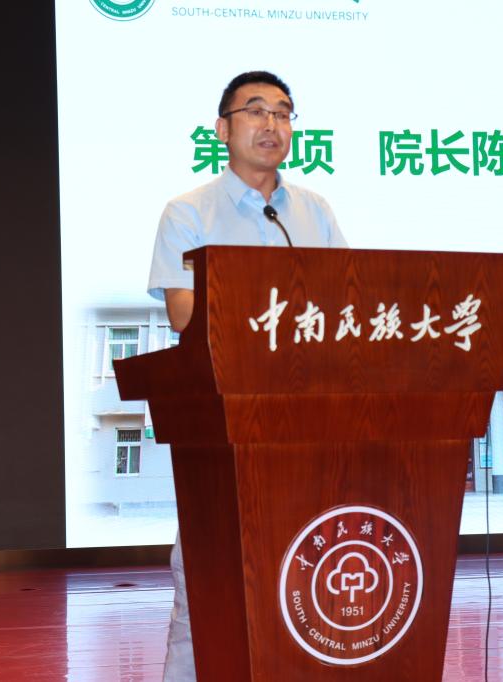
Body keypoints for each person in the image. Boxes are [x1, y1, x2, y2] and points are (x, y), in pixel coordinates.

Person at [145, 71, 348, 681]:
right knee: (209, 580)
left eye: (283, 113)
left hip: (307, 424)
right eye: (255, 111)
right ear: (222, 129)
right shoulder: (188, 213)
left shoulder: (314, 212)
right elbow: (184, 313)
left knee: (302, 574)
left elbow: (346, 303)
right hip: (224, 426)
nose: (271, 124)